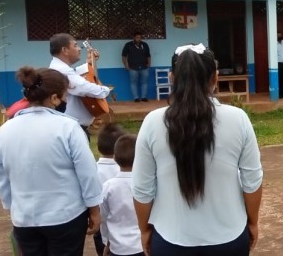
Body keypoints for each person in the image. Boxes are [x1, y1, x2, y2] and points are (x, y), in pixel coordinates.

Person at [132, 44, 263, 255]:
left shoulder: (152, 123)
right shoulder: (238, 119)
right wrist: (253, 221)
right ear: (216, 78)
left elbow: (142, 189)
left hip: (170, 240)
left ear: (172, 77)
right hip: (229, 238)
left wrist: (144, 229)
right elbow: (252, 181)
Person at [0, 66, 102, 256]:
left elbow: (0, 174)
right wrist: (94, 210)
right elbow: (87, 173)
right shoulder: (68, 128)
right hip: (66, 217)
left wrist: (13, 206)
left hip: (24, 219)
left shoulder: (4, 131)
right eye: (65, 95)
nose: (66, 100)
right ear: (54, 98)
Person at [49, 33, 111, 136]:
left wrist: (88, 64)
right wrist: (105, 90)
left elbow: (75, 74)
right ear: (65, 50)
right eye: (75, 45)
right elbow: (84, 88)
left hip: (72, 127)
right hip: (72, 130)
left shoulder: (60, 68)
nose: (79, 49)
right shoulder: (62, 70)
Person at [100, 134, 143, 256]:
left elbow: (103, 217)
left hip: (117, 247)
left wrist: (106, 242)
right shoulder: (146, 185)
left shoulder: (108, 187)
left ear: (114, 158)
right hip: (142, 245)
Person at [94, 123, 127, 256]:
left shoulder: (92, 170)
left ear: (98, 146)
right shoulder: (128, 169)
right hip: (129, 228)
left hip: (102, 229)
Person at [121, 32, 151, 102]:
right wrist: (126, 65)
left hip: (144, 67)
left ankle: (144, 97)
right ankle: (136, 98)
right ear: (134, 38)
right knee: (133, 83)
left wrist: (149, 63)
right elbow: (123, 56)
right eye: (137, 37)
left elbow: (148, 55)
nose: (139, 39)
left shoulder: (144, 45)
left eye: (140, 37)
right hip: (133, 67)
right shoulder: (128, 45)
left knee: (144, 82)